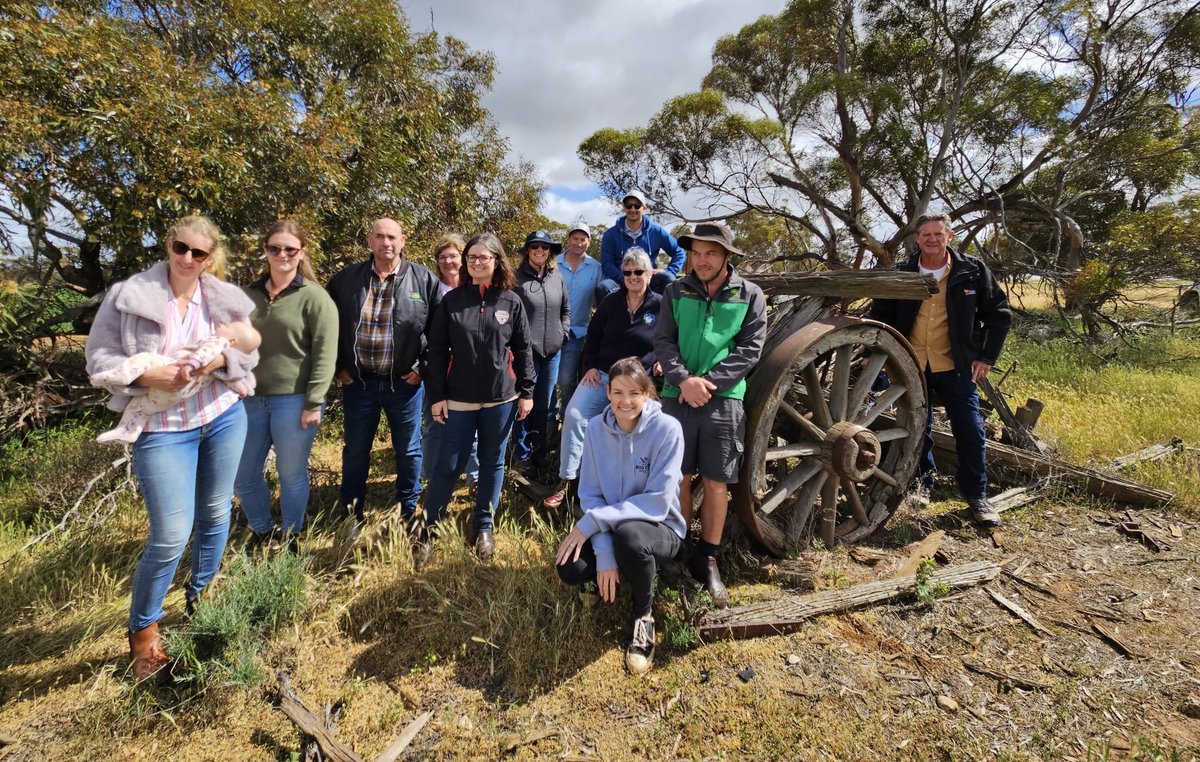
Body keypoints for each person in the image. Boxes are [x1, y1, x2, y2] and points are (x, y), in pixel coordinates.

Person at [85, 214, 259, 683]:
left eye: (198, 253)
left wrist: (222, 357)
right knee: (170, 534)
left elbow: (250, 351)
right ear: (169, 245)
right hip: (162, 427)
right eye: (181, 248)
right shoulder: (132, 295)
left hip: (221, 415)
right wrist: (145, 375)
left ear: (210, 257)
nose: (187, 258)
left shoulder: (220, 297)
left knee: (217, 511)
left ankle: (203, 593)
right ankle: (144, 631)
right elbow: (97, 357)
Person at [868, 212, 1012, 527]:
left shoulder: (971, 271)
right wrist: (878, 357)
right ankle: (922, 486)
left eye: (938, 234)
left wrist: (986, 357)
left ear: (949, 235)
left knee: (970, 430)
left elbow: (999, 314)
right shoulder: (903, 272)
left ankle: (977, 495)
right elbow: (880, 315)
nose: (931, 239)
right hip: (911, 365)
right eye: (925, 235)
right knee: (918, 427)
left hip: (954, 365)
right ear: (917, 240)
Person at [654, 222, 766, 609]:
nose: (701, 261)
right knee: (678, 477)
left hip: (724, 400)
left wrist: (709, 383)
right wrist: (684, 380)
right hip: (677, 395)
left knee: (718, 481)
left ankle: (709, 558)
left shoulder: (749, 295)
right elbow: (663, 341)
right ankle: (680, 548)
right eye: (696, 253)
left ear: (726, 257)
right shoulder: (675, 290)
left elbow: (750, 349)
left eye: (711, 253)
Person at [555, 357, 686, 675]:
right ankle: (602, 578)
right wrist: (603, 552)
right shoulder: (595, 430)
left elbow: (656, 502)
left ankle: (643, 615)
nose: (625, 401)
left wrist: (590, 525)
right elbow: (590, 496)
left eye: (633, 393)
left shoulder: (668, 429)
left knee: (630, 537)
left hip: (660, 526)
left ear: (647, 394)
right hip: (611, 525)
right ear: (608, 393)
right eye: (617, 393)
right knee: (569, 566)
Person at [422, 232, 535, 562]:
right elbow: (437, 352)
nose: (476, 262)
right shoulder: (452, 302)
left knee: (491, 462)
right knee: (448, 465)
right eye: (471, 257)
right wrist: (437, 396)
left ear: (497, 260)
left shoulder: (511, 301)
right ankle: (429, 529)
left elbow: (523, 349)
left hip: (501, 400)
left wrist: (526, 392)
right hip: (458, 399)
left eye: (483, 257)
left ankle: (483, 527)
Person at [233, 220, 339, 551]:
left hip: (295, 401)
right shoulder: (247, 296)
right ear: (265, 251)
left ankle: (293, 534)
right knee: (243, 475)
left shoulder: (314, 297)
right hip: (249, 399)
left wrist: (314, 402)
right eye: (275, 248)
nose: (282, 254)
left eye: (290, 249)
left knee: (290, 474)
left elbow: (325, 353)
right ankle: (263, 531)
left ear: (301, 253)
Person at [326, 218, 439, 523]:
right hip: (359, 383)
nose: (386, 242)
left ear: (403, 241)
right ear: (369, 241)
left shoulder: (423, 280)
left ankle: (408, 511)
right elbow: (326, 327)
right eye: (380, 237)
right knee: (355, 452)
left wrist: (422, 367)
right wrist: (338, 368)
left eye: (392, 237)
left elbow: (440, 332)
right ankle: (351, 513)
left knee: (409, 451)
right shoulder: (346, 279)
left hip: (404, 385)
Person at [544, 248, 662, 510]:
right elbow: (593, 338)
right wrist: (589, 367)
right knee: (575, 414)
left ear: (649, 274)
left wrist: (661, 360)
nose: (632, 277)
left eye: (638, 272)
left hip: (638, 383)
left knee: (642, 428)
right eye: (627, 272)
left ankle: (636, 491)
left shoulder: (661, 305)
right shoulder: (610, 303)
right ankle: (568, 481)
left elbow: (668, 341)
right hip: (604, 376)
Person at [91, 321, 259, 445]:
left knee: (145, 360)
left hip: (177, 370)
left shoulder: (218, 342)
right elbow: (234, 382)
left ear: (232, 341)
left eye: (228, 327)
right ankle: (128, 431)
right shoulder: (223, 363)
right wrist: (244, 389)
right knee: (143, 407)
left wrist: (191, 365)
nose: (223, 324)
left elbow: (205, 354)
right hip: (182, 394)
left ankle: (115, 376)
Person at [420, 233, 479, 487]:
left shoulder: (475, 289)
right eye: (442, 257)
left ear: (463, 258)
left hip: (469, 367)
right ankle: (431, 476)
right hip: (437, 366)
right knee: (435, 423)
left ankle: (474, 478)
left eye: (453, 256)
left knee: (472, 426)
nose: (448, 261)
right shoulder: (430, 289)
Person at [511, 230, 570, 478]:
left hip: (552, 354)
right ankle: (520, 457)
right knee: (523, 405)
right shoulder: (516, 278)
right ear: (527, 250)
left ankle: (539, 456)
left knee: (544, 407)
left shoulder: (557, 277)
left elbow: (565, 309)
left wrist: (563, 333)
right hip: (526, 354)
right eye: (534, 246)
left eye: (545, 247)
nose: (540, 250)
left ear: (550, 251)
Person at [597, 190, 686, 299]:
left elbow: (679, 252)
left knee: (668, 279)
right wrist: (625, 277)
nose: (633, 209)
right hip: (621, 280)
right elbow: (607, 263)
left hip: (648, 280)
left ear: (644, 207)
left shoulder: (656, 231)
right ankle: (611, 316)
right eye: (628, 206)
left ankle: (663, 315)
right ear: (624, 208)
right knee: (603, 287)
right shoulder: (611, 234)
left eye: (637, 205)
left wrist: (669, 271)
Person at [556, 222, 602, 410]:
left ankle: (566, 424)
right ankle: (546, 426)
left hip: (576, 333)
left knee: (567, 382)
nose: (578, 243)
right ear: (568, 239)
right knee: (547, 383)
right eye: (575, 238)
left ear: (589, 242)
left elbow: (602, 299)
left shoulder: (596, 268)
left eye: (583, 239)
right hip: (551, 331)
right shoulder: (554, 263)